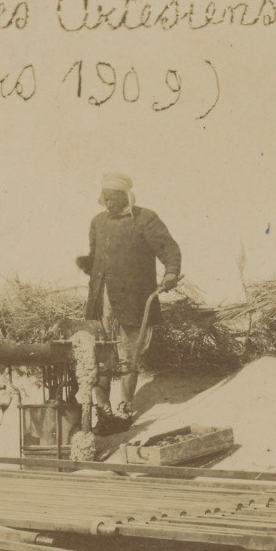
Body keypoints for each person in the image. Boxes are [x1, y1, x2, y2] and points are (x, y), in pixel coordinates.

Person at [76, 172, 182, 418]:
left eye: (113, 197)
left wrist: (171, 273)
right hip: (101, 298)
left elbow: (168, 248)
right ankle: (103, 409)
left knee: (128, 354)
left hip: (134, 299)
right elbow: (96, 258)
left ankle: (125, 407)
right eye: (105, 198)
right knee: (100, 352)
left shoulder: (146, 219)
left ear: (125, 196)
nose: (108, 202)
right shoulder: (98, 222)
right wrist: (87, 264)